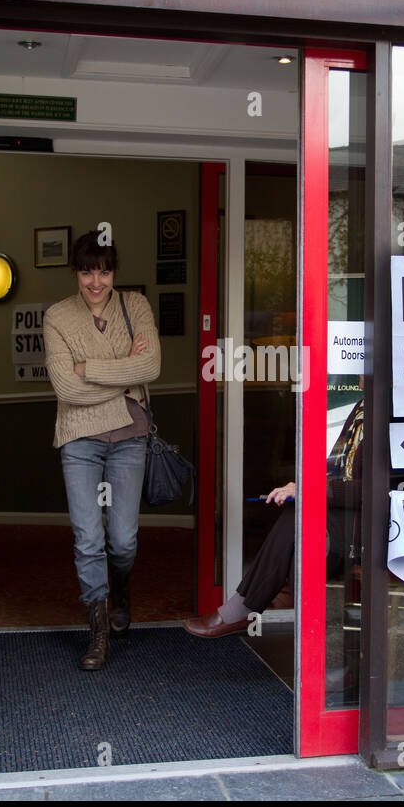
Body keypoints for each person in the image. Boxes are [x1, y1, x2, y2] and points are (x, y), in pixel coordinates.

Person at [42, 231, 160, 670]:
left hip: (130, 437)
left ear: (114, 272)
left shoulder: (136, 307)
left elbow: (150, 366)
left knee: (124, 541)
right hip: (78, 439)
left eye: (104, 271)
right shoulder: (57, 316)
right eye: (88, 271)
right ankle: (98, 632)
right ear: (76, 271)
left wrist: (87, 368)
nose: (96, 281)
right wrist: (121, 374)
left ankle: (122, 587)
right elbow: (64, 388)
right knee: (89, 538)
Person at [185, 398, 364, 637]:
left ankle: (245, 609)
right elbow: (341, 471)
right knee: (297, 528)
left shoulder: (393, 416)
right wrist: (302, 489)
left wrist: (309, 490)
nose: (363, 371)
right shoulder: (362, 408)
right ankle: (265, 607)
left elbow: (378, 488)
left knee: (296, 522)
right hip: (346, 517)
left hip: (373, 526)